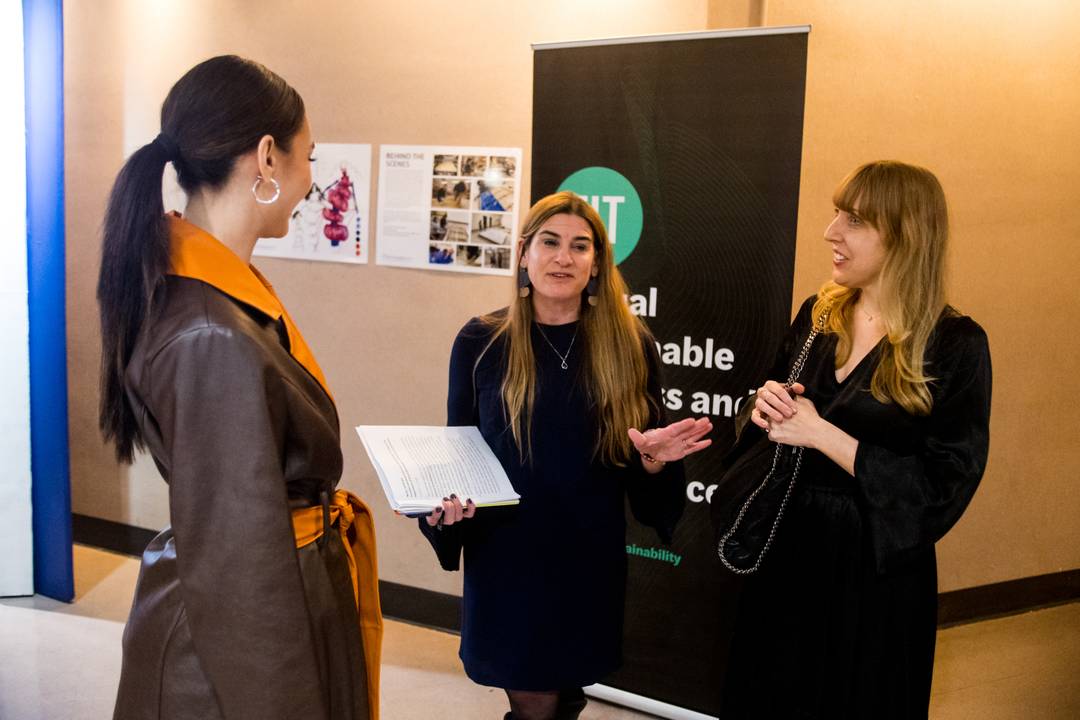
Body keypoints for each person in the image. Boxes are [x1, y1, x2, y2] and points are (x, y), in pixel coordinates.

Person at [97, 55, 381, 720]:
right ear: (266, 158)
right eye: (307, 156)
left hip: (283, 586)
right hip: (241, 637)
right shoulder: (209, 332)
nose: (312, 179)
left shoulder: (220, 298)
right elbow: (238, 558)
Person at [419, 191, 713, 720]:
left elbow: (645, 463)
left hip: (585, 555)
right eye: (550, 243)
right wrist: (446, 512)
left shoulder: (630, 343)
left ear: (597, 262)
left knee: (565, 691)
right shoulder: (482, 341)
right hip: (507, 555)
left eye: (581, 246)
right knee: (533, 697)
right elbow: (457, 448)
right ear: (524, 253)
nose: (563, 258)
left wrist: (654, 460)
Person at [716, 161, 992, 718]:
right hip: (786, 552)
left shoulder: (957, 345)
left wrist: (823, 435)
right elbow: (771, 424)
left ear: (905, 235)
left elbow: (943, 486)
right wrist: (766, 408)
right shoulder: (819, 317)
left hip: (875, 573)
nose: (831, 232)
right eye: (836, 214)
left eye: (856, 220)